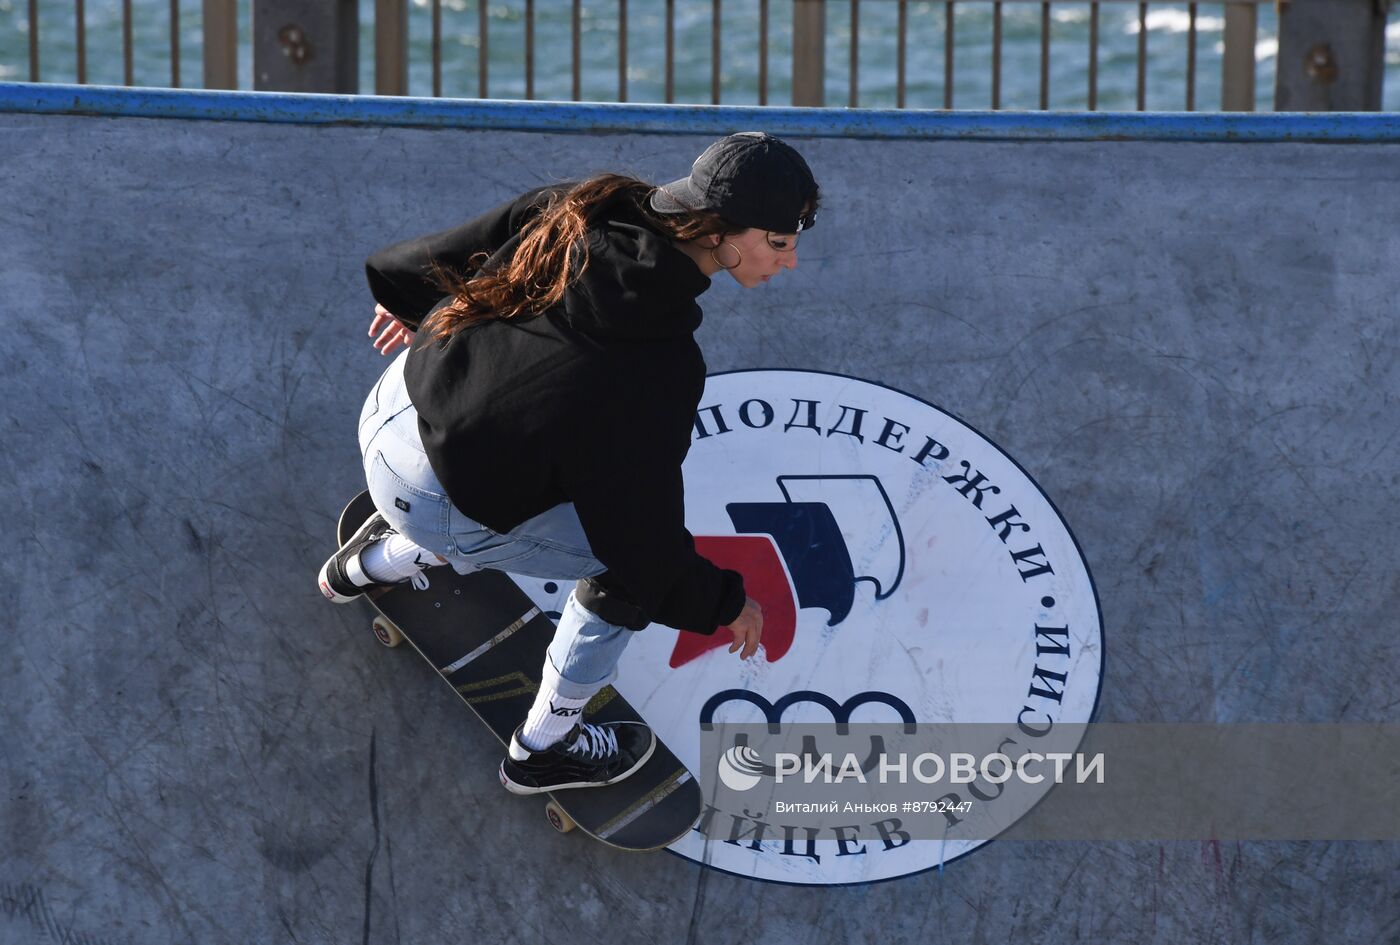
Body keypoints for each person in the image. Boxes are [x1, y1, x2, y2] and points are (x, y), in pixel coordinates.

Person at [318, 132, 819, 795]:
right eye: (779, 242)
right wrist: (722, 601)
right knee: (627, 569)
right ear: (718, 229)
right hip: (442, 495)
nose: (789, 262)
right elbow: (639, 540)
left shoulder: (587, 205)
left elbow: (450, 252)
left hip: (394, 410)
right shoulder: (658, 366)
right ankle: (546, 745)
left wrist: (408, 302)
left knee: (533, 447)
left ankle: (369, 563)